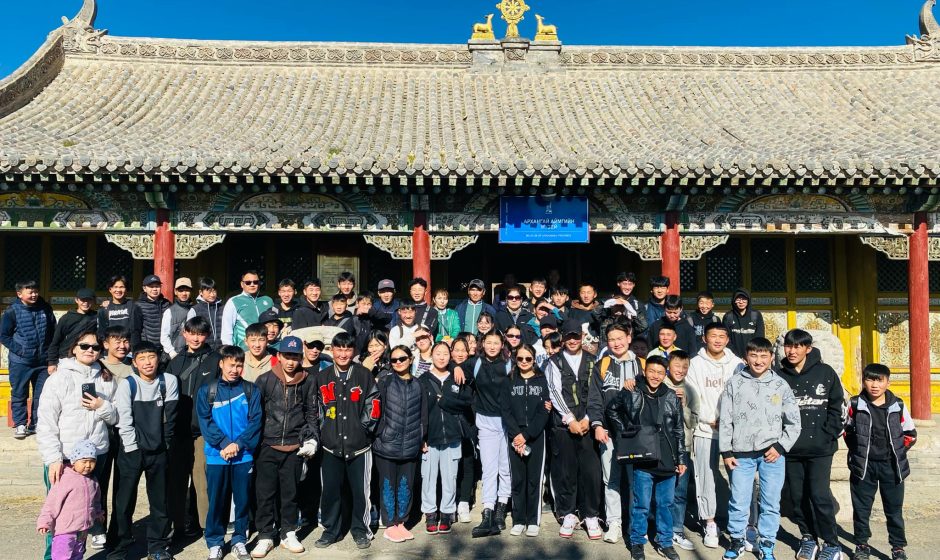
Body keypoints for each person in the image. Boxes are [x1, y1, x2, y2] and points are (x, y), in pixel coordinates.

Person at [37, 329, 118, 556]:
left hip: (96, 454)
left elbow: (115, 417)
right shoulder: (59, 378)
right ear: (74, 348)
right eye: (84, 346)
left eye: (95, 347)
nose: (90, 350)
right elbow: (46, 421)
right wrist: (53, 458)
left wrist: (101, 406)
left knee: (86, 510)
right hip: (65, 457)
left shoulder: (106, 377)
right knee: (59, 514)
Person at [719, 337, 802, 560]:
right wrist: (726, 451)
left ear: (771, 358)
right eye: (754, 356)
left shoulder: (780, 385)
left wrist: (781, 446)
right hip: (741, 455)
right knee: (739, 500)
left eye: (764, 356)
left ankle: (767, 544)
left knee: (770, 502)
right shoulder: (734, 383)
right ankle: (737, 540)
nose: (758, 361)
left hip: (772, 454)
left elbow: (794, 422)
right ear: (746, 358)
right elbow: (725, 418)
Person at [606, 355, 686, 560]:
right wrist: (626, 432)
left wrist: (681, 459)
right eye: (651, 371)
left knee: (666, 505)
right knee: (640, 505)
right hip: (643, 457)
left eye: (660, 372)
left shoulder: (671, 396)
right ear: (644, 371)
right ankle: (637, 542)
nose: (655, 376)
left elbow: (679, 430)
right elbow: (611, 410)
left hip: (667, 458)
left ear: (665, 374)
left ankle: (665, 542)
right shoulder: (632, 390)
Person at [777, 329, 845, 560]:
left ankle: (832, 544)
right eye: (789, 346)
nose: (792, 351)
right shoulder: (779, 376)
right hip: (791, 449)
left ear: (808, 348)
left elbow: (837, 406)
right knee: (797, 497)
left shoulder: (826, 372)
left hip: (820, 449)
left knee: (819, 496)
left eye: (797, 346)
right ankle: (808, 538)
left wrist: (828, 434)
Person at [251, 336, 319, 557]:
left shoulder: (308, 380)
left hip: (294, 446)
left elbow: (311, 413)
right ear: (279, 356)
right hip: (268, 445)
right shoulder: (265, 380)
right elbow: (256, 415)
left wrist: (312, 439)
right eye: (287, 356)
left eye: (295, 357)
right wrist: (255, 444)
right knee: (265, 494)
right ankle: (265, 535)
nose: (291, 362)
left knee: (290, 493)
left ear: (301, 358)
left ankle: (288, 533)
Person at [312, 332, 381, 550]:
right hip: (330, 446)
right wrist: (324, 431)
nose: (343, 354)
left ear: (354, 351)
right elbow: (316, 409)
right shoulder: (322, 377)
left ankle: (361, 530)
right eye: (339, 349)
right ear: (331, 350)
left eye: (347, 349)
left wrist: (362, 429)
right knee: (330, 491)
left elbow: (374, 404)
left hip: (359, 446)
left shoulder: (364, 375)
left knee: (360, 492)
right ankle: (331, 530)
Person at [110, 341, 179, 560]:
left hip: (159, 452)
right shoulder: (127, 384)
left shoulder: (168, 381)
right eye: (142, 358)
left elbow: (170, 418)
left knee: (160, 501)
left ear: (158, 359)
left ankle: (157, 547)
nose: (147, 362)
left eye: (151, 357)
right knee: (123, 501)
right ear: (135, 363)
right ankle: (119, 547)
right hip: (132, 451)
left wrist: (164, 446)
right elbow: (124, 420)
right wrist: (132, 448)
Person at [844, 364, 917, 560]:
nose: (874, 385)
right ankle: (862, 545)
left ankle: (898, 547)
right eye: (870, 379)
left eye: (879, 380)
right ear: (863, 381)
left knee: (893, 510)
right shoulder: (855, 404)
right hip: (864, 466)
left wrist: (897, 452)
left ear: (887, 383)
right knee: (861, 509)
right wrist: (859, 451)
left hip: (892, 466)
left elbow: (910, 433)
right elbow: (847, 431)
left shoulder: (897, 405)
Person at [196, 345, 262, 560]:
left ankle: (239, 540)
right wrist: (224, 444)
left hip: (244, 455)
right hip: (217, 456)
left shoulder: (251, 390)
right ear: (221, 364)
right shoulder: (207, 391)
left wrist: (238, 445)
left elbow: (255, 421)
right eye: (231, 365)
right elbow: (205, 421)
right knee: (217, 501)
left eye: (239, 365)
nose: (235, 369)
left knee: (242, 501)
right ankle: (215, 542)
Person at [685, 322, 744, 548]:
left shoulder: (738, 364)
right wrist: (708, 418)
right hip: (705, 429)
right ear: (704, 338)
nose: (717, 340)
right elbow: (691, 396)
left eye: (721, 336)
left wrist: (729, 420)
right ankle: (710, 522)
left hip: (734, 432)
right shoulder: (695, 364)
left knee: (740, 477)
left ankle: (745, 524)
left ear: (727, 340)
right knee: (705, 476)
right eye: (713, 336)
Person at [544, 318, 603, 540]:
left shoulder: (593, 360)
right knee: (565, 470)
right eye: (568, 337)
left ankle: (591, 514)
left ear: (582, 336)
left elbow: (596, 392)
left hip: (588, 423)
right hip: (563, 425)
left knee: (590, 471)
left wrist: (588, 419)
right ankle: (567, 513)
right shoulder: (554, 362)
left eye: (576, 336)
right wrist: (570, 420)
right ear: (563, 337)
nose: (572, 340)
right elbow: (554, 391)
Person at [587, 321, 644, 544]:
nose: (616, 343)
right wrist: (597, 425)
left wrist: (637, 385)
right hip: (609, 432)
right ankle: (614, 523)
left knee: (636, 481)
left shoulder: (642, 364)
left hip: (636, 434)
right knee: (611, 479)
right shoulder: (602, 365)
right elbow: (595, 399)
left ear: (629, 338)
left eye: (620, 338)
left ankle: (635, 524)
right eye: (611, 339)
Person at [163, 317, 220, 541]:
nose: (196, 338)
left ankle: (205, 526)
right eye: (192, 333)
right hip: (178, 431)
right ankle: (178, 525)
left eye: (201, 334)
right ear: (184, 334)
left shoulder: (216, 360)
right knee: (177, 480)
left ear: (207, 336)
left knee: (201, 480)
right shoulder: (175, 362)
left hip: (202, 430)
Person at [373, 344, 427, 542]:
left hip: (411, 444)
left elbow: (423, 414)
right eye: (394, 360)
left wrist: (422, 437)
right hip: (386, 444)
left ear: (410, 359)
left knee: (406, 485)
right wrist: (381, 432)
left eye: (402, 358)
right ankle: (389, 524)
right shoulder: (385, 382)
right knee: (388, 485)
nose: (398, 362)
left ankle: (401, 522)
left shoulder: (419, 384)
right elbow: (375, 410)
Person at [421, 342, 473, 533]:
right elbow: (419, 410)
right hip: (430, 437)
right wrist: (421, 436)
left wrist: (444, 401)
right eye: (438, 353)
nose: (441, 357)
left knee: (450, 478)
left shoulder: (457, 378)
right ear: (431, 355)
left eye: (445, 353)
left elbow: (466, 403)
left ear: (450, 356)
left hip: (452, 435)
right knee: (428, 477)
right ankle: (430, 513)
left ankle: (447, 513)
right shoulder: (423, 380)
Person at [502, 344, 551, 537]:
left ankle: (532, 520)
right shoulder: (509, 381)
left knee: (533, 480)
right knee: (518, 479)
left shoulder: (541, 380)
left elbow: (544, 410)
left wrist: (527, 435)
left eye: (528, 358)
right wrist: (516, 435)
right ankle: (519, 520)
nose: (524, 362)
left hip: (535, 436)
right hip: (515, 436)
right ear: (515, 359)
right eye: (520, 358)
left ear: (533, 359)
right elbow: (505, 410)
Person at [470, 331, 513, 538]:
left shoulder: (509, 364)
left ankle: (501, 509)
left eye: (496, 343)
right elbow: (457, 368)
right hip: (485, 421)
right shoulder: (476, 363)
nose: (492, 346)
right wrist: (458, 368)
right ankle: (487, 510)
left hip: (506, 422)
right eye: (489, 342)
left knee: (505, 468)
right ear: (483, 343)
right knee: (489, 469)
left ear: (502, 344)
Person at [1, 279, 57, 439]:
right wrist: (21, 350)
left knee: (42, 395)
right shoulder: (11, 311)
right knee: (19, 393)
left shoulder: (45, 308)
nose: (34, 294)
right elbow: (4, 335)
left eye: (36, 291)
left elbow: (53, 333)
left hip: (43, 362)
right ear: (19, 294)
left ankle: (36, 424)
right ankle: (20, 424)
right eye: (30, 292)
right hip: (21, 362)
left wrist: (52, 358)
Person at [36, 439, 104, 560]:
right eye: (84, 461)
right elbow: (51, 503)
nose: (88, 465)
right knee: (61, 556)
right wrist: (44, 522)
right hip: (65, 530)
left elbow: (96, 500)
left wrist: (98, 513)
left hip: (82, 529)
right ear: (73, 461)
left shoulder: (93, 480)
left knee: (78, 554)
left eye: (92, 461)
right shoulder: (65, 480)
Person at [663, 350, 697, 552]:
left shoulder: (690, 390)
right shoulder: (659, 383)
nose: (681, 370)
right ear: (669, 365)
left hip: (682, 448)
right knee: (659, 492)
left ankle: (676, 530)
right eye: (677, 366)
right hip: (660, 447)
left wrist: (684, 406)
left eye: (685, 367)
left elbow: (693, 422)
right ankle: (658, 529)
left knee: (680, 492)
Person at [450, 337, 479, 523]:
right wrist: (454, 366)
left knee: (468, 462)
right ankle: (451, 501)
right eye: (457, 350)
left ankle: (464, 502)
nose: (460, 353)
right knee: (452, 465)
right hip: (450, 423)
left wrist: (458, 366)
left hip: (470, 421)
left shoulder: (473, 367)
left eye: (464, 350)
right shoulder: (447, 367)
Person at [221, 270, 274, 350]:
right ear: (242, 284)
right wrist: (228, 351)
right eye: (248, 282)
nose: (252, 285)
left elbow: (274, 322)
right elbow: (227, 330)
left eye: (255, 282)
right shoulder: (233, 301)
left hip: (267, 349)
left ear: (259, 283)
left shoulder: (268, 300)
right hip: (243, 350)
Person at [47, 288, 98, 371]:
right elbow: (56, 341)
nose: (85, 303)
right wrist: (52, 362)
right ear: (76, 300)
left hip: (88, 358)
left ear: (93, 301)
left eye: (89, 300)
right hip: (67, 358)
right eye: (82, 300)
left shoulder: (96, 317)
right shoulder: (66, 318)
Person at [97, 276, 141, 347]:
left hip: (128, 348)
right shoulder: (104, 309)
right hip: (111, 348)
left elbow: (136, 330)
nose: (118, 290)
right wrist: (106, 349)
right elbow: (102, 332)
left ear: (126, 289)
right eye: (115, 287)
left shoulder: (133, 307)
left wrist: (133, 349)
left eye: (121, 287)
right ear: (110, 289)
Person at [722, 288, 765, 359]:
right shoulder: (728, 317)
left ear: (748, 300)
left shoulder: (756, 315)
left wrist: (750, 356)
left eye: (744, 299)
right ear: (734, 301)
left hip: (752, 356)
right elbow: (726, 339)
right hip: (733, 357)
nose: (741, 302)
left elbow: (760, 338)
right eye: (738, 299)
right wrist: (737, 357)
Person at [160, 278, 194, 361]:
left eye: (187, 290)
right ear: (175, 291)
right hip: (174, 354)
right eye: (181, 291)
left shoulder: (195, 309)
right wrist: (172, 352)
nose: (184, 293)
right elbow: (164, 336)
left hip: (191, 353)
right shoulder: (169, 311)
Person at [188, 277, 224, 350]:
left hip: (221, 349)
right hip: (202, 349)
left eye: (214, 291)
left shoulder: (223, 308)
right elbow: (189, 332)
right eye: (209, 292)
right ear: (201, 292)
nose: (212, 295)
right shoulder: (195, 310)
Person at [136, 275, 171, 347]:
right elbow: (136, 329)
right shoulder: (138, 305)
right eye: (151, 287)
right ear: (144, 288)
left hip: (166, 346)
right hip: (147, 346)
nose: (155, 289)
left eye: (157, 286)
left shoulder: (167, 303)